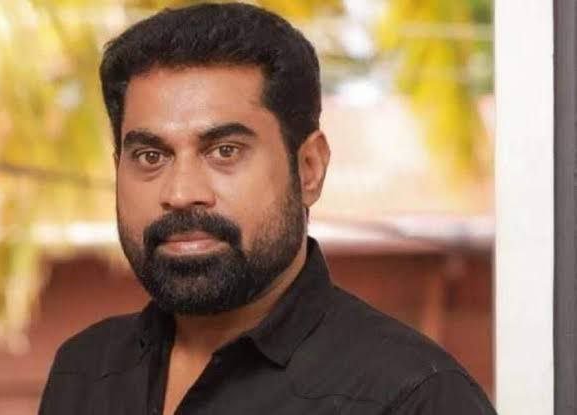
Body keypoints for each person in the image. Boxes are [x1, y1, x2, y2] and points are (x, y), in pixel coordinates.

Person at [39, 3, 496, 414]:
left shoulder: (411, 397)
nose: (180, 192)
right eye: (150, 156)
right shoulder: (84, 373)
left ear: (309, 169)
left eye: (224, 151)